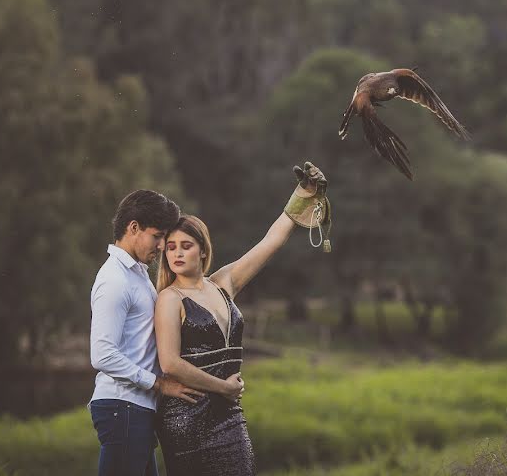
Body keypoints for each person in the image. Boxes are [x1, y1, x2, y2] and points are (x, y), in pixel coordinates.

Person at [154, 162, 329, 475]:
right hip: (186, 420)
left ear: (203, 252)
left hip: (229, 418)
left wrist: (302, 193)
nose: (177, 253)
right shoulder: (169, 298)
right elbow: (170, 364)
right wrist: (222, 387)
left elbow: (270, 242)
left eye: (186, 246)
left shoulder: (223, 283)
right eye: (171, 248)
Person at [89, 189, 211, 476]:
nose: (161, 246)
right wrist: (159, 384)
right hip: (124, 407)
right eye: (157, 236)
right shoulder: (115, 279)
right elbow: (103, 355)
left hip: (136, 409)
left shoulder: (137, 273)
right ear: (134, 228)